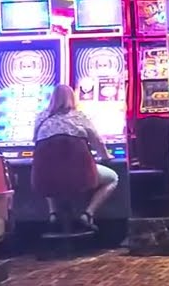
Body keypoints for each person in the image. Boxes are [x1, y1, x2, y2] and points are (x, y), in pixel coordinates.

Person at [33, 84, 118, 228]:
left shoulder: (40, 118)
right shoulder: (79, 117)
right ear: (72, 98)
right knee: (113, 178)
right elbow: (97, 141)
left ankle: (53, 214)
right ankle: (87, 214)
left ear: (52, 99)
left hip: (45, 177)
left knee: (49, 169)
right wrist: (106, 156)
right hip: (80, 176)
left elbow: (35, 142)